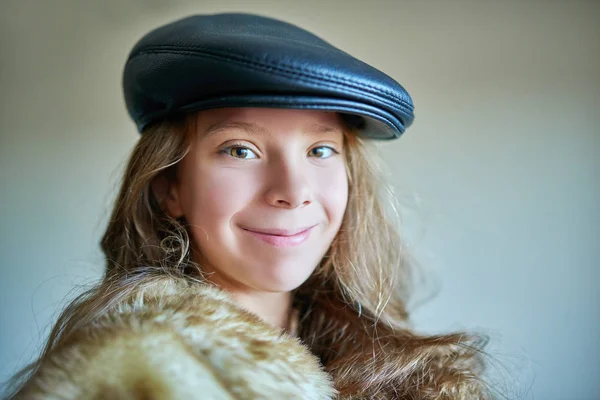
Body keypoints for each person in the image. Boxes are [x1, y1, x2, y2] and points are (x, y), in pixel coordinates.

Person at [6, 13, 491, 399]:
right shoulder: (130, 376)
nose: (293, 190)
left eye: (320, 150)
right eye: (241, 149)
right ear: (168, 186)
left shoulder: (387, 364)